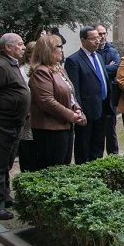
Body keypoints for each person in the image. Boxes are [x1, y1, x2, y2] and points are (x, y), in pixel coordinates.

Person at [0, 34, 29, 221]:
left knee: (6, 163)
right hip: (0, 124)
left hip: (13, 123)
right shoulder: (0, 66)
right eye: (19, 44)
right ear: (8, 48)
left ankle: (4, 196)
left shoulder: (11, 64)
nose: (23, 47)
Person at [29, 35, 86, 170]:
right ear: (47, 50)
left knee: (64, 167)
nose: (62, 50)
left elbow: (70, 93)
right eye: (59, 47)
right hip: (50, 130)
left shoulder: (59, 68)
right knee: (53, 168)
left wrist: (77, 109)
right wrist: (71, 115)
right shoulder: (41, 72)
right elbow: (47, 101)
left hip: (64, 127)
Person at [65, 26, 114, 164]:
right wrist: (78, 109)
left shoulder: (98, 56)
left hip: (102, 107)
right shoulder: (73, 60)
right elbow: (74, 89)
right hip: (86, 110)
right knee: (84, 145)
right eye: (93, 38)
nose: (97, 41)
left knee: (98, 144)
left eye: (98, 37)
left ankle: (97, 168)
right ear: (83, 40)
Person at [94, 23, 121, 155]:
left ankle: (113, 157)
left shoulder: (112, 51)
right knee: (97, 131)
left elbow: (117, 68)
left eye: (104, 33)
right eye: (100, 34)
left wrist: (99, 69)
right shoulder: (92, 53)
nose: (103, 36)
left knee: (111, 130)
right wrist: (107, 67)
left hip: (110, 95)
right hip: (95, 97)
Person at [18, 41, 37, 173]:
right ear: (30, 56)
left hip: (40, 118)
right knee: (28, 151)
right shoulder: (21, 72)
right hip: (28, 118)